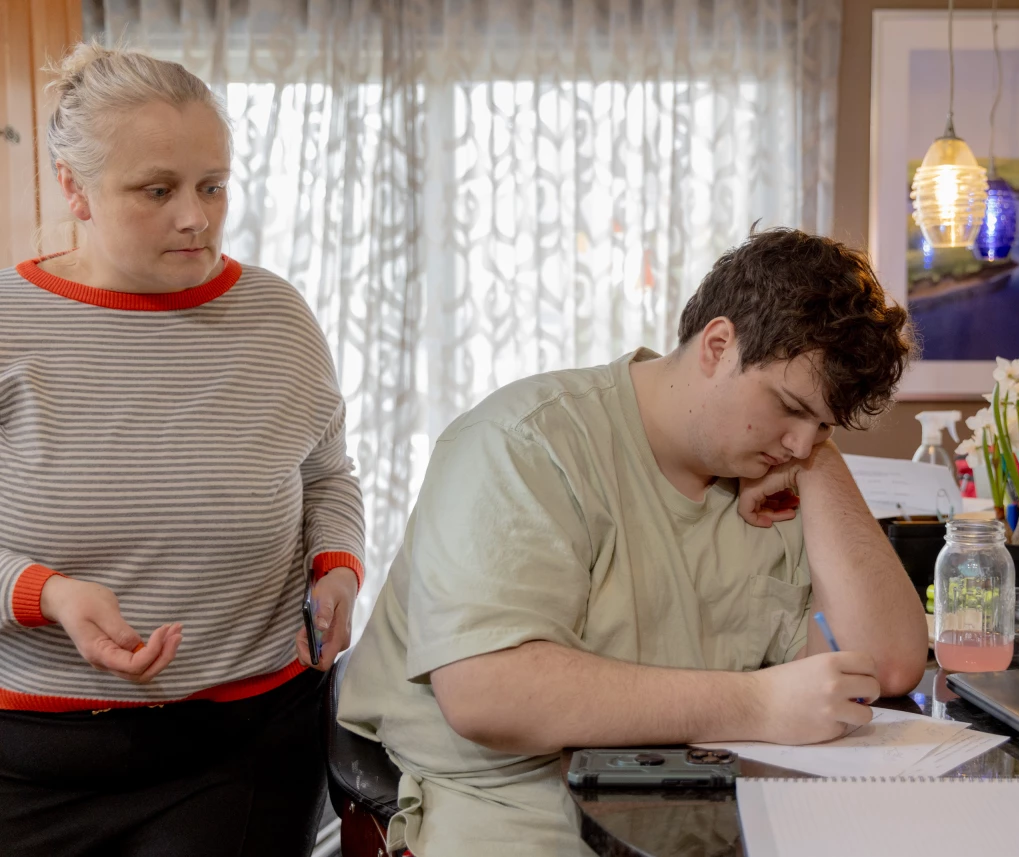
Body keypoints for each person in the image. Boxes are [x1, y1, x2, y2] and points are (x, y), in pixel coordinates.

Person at [338, 227, 929, 855]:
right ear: (718, 346)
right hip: (514, 802)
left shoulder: (777, 469)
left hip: (692, 798)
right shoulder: (523, 442)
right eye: (790, 407)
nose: (800, 442)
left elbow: (887, 664)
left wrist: (822, 468)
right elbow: (486, 693)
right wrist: (757, 704)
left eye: (824, 426)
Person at [0, 43, 366, 856]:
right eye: (158, 190)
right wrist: (45, 593)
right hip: (26, 762)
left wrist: (336, 566)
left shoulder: (277, 317)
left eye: (213, 185)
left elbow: (327, 475)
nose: (196, 217)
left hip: (244, 751)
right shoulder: (8, 323)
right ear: (74, 188)